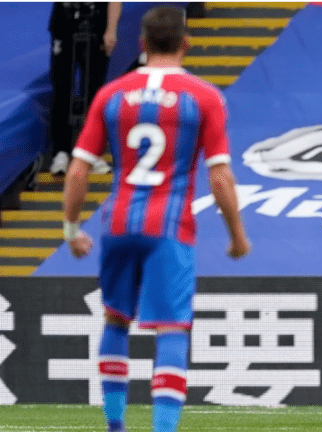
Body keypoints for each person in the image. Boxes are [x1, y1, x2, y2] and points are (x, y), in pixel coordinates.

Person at [61, 7, 250, 432]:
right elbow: (219, 175)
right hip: (169, 226)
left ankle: (115, 425)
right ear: (186, 43)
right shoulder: (203, 96)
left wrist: (72, 230)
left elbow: (77, 171)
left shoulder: (111, 94)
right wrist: (237, 236)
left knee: (115, 318)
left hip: (117, 222)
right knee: (171, 329)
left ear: (142, 45)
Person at [49, 2, 121, 175]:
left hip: (97, 24)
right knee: (61, 89)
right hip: (64, 22)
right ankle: (61, 152)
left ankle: (92, 152)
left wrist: (111, 29)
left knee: (94, 92)